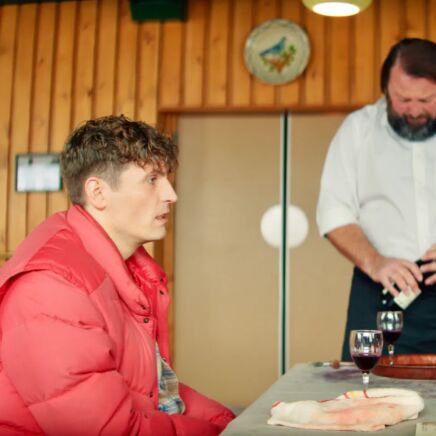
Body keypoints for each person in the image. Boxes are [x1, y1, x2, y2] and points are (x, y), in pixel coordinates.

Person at [0, 115, 235, 435]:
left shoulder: (122, 268)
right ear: (98, 192)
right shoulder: (50, 290)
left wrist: (230, 423)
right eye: (152, 180)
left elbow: (155, 390)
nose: (171, 194)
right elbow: (111, 430)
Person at [316, 38, 436, 361]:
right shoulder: (358, 129)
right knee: (367, 386)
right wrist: (375, 262)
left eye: (426, 100)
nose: (414, 111)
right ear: (385, 88)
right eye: (403, 99)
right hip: (380, 292)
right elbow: (333, 211)